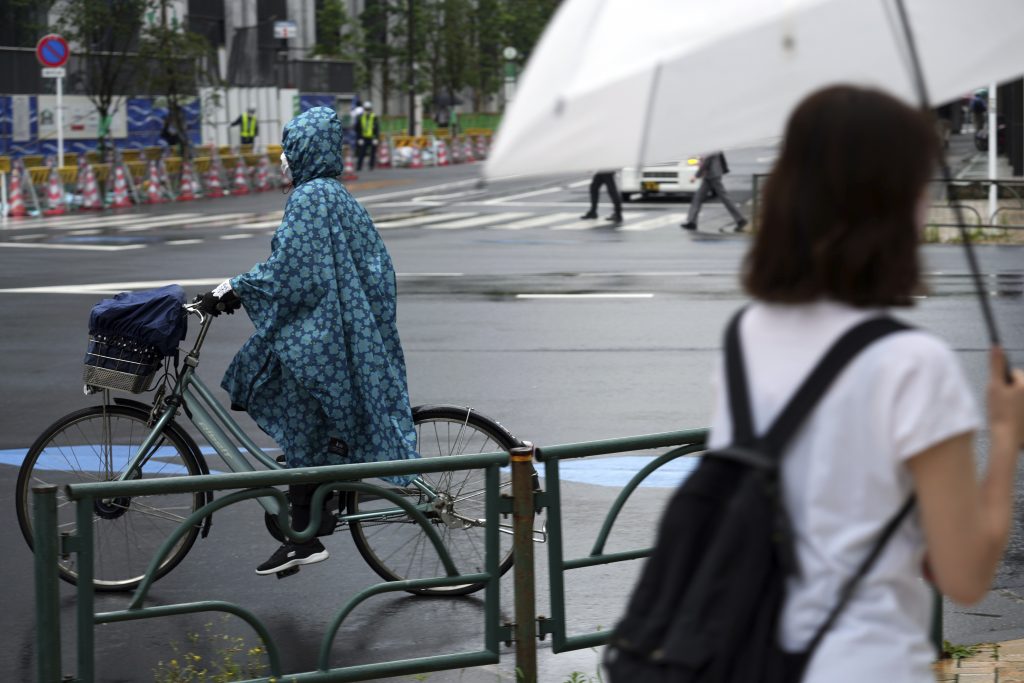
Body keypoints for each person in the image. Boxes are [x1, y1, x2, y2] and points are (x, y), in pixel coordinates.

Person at [704, 85, 1024, 682]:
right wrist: (1006, 438)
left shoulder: (745, 337)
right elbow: (964, 575)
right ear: (894, 198)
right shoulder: (911, 362)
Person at [196, 106, 419, 575]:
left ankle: (305, 532)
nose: (282, 162)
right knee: (295, 400)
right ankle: (317, 501)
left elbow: (290, 270)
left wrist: (235, 286)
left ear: (304, 151)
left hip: (327, 334)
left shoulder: (310, 199)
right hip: (347, 327)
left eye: (287, 151)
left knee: (284, 391)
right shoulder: (333, 195)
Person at [680, 151, 747, 233]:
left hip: (713, 175)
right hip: (710, 175)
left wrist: (696, 176)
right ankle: (692, 222)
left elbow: (706, 162)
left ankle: (740, 220)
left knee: (725, 199)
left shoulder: (711, 147)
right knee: (698, 198)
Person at [355, 101, 380, 171]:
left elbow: (377, 128)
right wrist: (359, 138)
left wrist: (376, 138)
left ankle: (371, 166)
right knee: (361, 153)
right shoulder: (360, 117)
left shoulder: (374, 117)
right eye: (366, 109)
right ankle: (359, 166)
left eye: (368, 109)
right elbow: (357, 128)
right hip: (363, 138)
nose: (367, 110)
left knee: (373, 153)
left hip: (372, 138)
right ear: (364, 109)